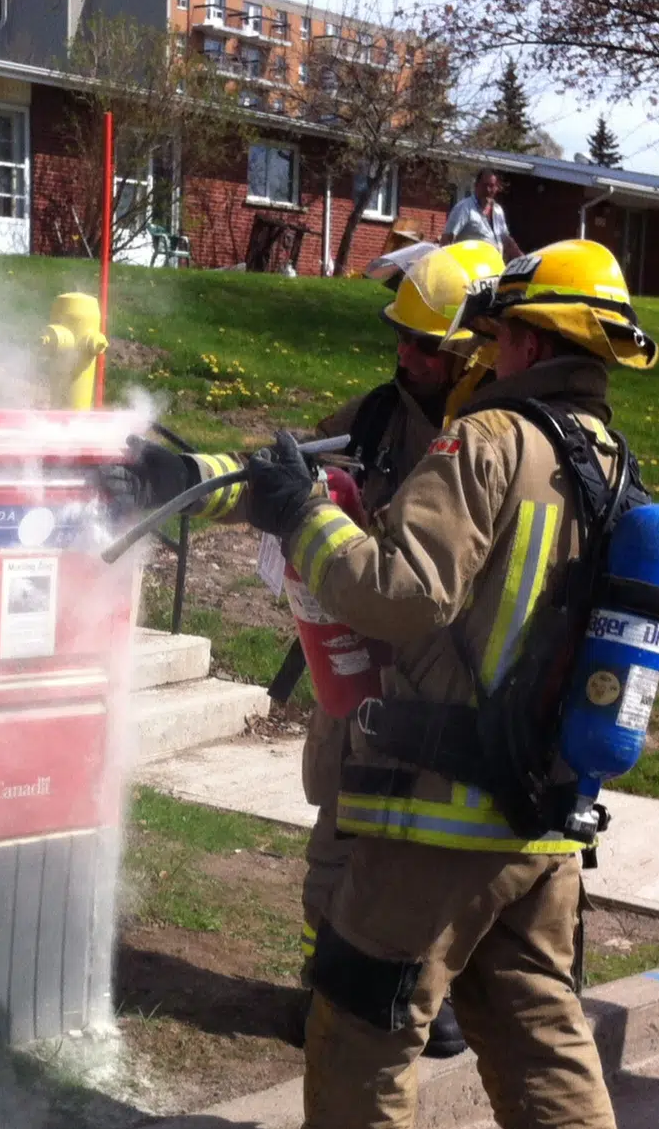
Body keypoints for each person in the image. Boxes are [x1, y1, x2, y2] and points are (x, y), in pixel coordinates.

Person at [229, 239, 659, 1129]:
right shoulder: (610, 463)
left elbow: (399, 589)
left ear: (520, 336)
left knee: (366, 1006)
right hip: (548, 810)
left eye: (496, 328)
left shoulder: (494, 440)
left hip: (444, 807)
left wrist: (300, 514)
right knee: (529, 1009)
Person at [98, 242, 504, 1060]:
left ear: (474, 352)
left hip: (447, 691)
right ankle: (337, 1002)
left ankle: (423, 1000)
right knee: (336, 855)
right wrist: (181, 477)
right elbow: (282, 479)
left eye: (426, 346)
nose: (404, 355)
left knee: (429, 864)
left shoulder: (492, 442)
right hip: (360, 674)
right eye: (400, 337)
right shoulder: (380, 415)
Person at [441, 170, 523, 260]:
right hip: (470, 269)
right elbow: (447, 240)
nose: (488, 190)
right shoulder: (464, 208)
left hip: (493, 269)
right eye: (485, 185)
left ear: (497, 188)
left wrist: (524, 260)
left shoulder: (498, 211)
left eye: (491, 186)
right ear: (476, 186)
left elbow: (506, 241)